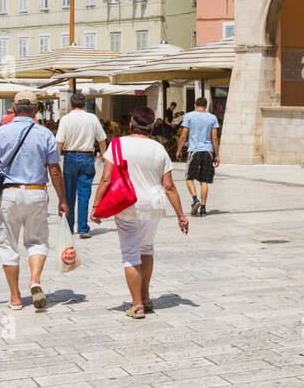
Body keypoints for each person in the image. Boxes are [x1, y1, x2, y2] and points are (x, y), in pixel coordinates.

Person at [91, 106, 188, 319]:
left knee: (130, 255)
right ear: (151, 128)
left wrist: (96, 206)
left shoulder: (116, 145)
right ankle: (145, 296)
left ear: (130, 125)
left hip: (127, 204)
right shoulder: (159, 149)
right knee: (146, 249)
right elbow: (169, 186)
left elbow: (106, 179)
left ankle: (137, 305)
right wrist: (181, 214)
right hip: (153, 204)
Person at [0, 90, 67, 311]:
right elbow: (54, 170)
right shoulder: (45, 133)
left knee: (8, 244)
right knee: (37, 241)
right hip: (37, 192)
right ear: (35, 109)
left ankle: (15, 298)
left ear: (14, 109)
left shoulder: (1, 132)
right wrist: (62, 200)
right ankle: (35, 280)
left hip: (10, 193)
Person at [57, 91, 108, 239]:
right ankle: (83, 228)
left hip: (70, 157)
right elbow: (102, 140)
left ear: (71, 104)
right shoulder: (92, 118)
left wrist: (55, 162)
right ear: (85, 104)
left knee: (69, 193)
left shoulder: (65, 119)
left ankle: (68, 227)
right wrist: (104, 157)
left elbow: (59, 142)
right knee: (84, 194)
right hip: (87, 157)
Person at [176, 96, 220, 216]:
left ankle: (195, 200)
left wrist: (179, 150)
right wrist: (217, 155)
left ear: (195, 105)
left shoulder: (189, 116)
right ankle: (203, 208)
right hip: (208, 152)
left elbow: (184, 135)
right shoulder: (212, 118)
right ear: (206, 106)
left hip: (194, 151)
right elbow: (214, 138)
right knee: (204, 181)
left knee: (189, 178)